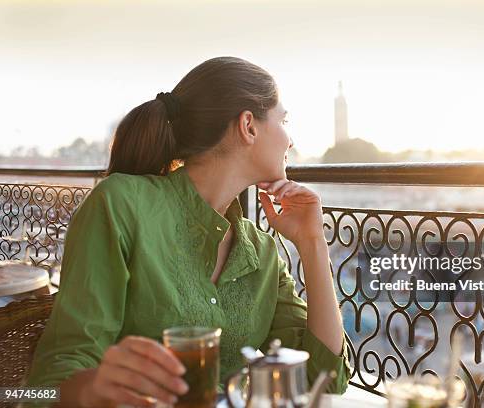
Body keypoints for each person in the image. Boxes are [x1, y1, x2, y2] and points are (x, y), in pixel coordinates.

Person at [26, 56, 352, 407]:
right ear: (249, 126)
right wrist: (92, 388)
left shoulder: (261, 252)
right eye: (284, 120)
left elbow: (325, 380)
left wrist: (312, 242)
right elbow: (46, 385)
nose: (291, 140)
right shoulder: (121, 205)